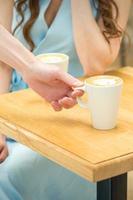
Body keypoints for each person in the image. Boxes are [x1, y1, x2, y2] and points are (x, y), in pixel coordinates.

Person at [0, 0, 131, 200]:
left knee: (7, 174)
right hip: (14, 110)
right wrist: (1, 126)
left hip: (70, 122)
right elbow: (3, 64)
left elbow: (94, 65)